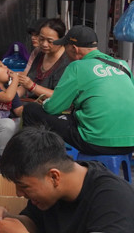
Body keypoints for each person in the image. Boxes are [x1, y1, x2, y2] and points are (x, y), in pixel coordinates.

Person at [0, 127, 134, 233]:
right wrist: (6, 222)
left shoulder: (112, 198)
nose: (19, 193)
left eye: (24, 187)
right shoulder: (49, 193)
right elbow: (34, 223)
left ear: (54, 177)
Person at [22, 26, 134, 154]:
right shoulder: (122, 65)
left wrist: (45, 102)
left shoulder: (77, 66)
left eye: (65, 47)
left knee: (31, 110)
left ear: (74, 49)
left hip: (96, 142)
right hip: (131, 143)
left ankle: (32, 163)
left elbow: (53, 108)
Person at [17, 17, 68, 102]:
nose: (44, 44)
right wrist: (10, 96)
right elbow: (25, 85)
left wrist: (33, 87)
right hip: (30, 102)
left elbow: (62, 95)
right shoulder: (40, 53)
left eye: (50, 41)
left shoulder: (67, 61)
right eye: (41, 39)